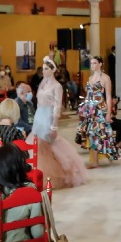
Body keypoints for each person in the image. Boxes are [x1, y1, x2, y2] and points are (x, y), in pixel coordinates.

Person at [32, 56, 88, 188]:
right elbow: (39, 101)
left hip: (48, 117)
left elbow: (57, 106)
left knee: (51, 145)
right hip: (39, 116)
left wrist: (54, 126)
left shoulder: (57, 86)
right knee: (39, 147)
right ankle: (39, 175)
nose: (44, 71)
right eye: (43, 69)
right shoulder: (43, 84)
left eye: (46, 69)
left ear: (52, 70)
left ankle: (57, 175)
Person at [79, 56, 119, 168]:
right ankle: (95, 160)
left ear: (100, 64)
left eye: (94, 63)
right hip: (90, 109)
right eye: (91, 63)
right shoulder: (90, 78)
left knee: (100, 133)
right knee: (91, 133)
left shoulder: (106, 78)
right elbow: (88, 95)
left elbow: (108, 96)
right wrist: (84, 110)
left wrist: (109, 113)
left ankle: (99, 159)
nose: (92, 65)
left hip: (100, 109)